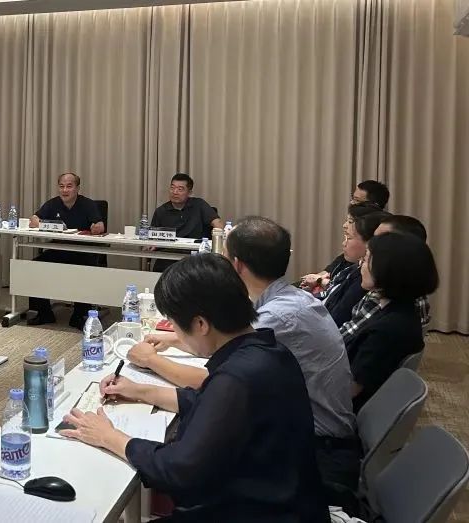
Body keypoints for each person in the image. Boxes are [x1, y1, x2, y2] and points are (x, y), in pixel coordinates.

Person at [61, 254, 326, 522]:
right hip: (288, 503)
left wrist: (110, 437)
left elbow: (179, 469)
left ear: (200, 324)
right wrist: (139, 391)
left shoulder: (236, 377)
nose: (175, 333)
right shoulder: (267, 352)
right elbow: (210, 404)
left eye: (175, 325)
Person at [131, 217, 358, 504]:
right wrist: (144, 385)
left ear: (235, 265)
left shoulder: (273, 323)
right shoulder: (286, 305)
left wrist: (151, 361)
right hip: (297, 448)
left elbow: (211, 389)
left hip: (316, 452)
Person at [346, 233, 438, 411]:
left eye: (366, 259)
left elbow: (350, 389)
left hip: (342, 413)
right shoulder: (398, 309)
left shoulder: (388, 330)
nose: (361, 265)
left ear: (388, 270)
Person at [26, 173, 106, 329]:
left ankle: (79, 315)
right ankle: (44, 313)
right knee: (35, 266)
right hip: (58, 249)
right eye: (61, 186)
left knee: (85, 270)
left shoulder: (87, 204)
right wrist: (43, 223)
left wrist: (96, 228)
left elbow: (100, 226)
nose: (65, 190)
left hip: (82, 251)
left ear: (77, 188)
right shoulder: (53, 204)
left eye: (69, 186)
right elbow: (33, 220)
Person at [340, 214, 431, 341]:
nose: (371, 244)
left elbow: (341, 341)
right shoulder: (404, 288)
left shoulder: (388, 300)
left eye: (381, 240)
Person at [321, 206, 390, 326]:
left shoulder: (365, 280)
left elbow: (335, 320)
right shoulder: (354, 268)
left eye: (349, 238)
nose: (344, 243)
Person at [300, 202, 386, 297]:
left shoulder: (363, 277)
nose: (345, 225)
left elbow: (337, 303)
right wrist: (319, 280)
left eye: (350, 221)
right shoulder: (352, 267)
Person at [149, 173, 224, 271]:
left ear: (189, 192)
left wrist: (217, 243)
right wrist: (151, 244)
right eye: (172, 188)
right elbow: (152, 236)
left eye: (180, 189)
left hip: (195, 256)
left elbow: (218, 223)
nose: (175, 192)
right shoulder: (161, 211)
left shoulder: (199, 205)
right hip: (168, 256)